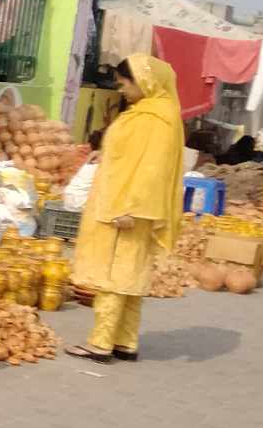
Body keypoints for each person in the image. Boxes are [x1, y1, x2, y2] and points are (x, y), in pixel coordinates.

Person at [67, 54, 186, 362]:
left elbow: (152, 168)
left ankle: (101, 342)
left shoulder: (154, 118)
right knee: (130, 278)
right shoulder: (152, 112)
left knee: (113, 276)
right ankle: (125, 341)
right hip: (130, 206)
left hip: (127, 209)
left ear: (143, 81)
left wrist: (131, 208)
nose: (121, 90)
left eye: (124, 83)